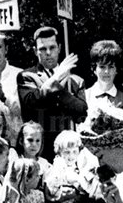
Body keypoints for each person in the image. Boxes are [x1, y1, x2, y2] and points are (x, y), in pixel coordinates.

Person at [17, 25, 88, 158]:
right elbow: (33, 103)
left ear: (60, 48)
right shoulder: (26, 76)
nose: (48, 53)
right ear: (35, 51)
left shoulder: (75, 81)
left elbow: (81, 112)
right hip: (39, 150)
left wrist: (60, 89)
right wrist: (57, 77)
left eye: (52, 47)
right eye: (43, 49)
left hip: (68, 151)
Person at [85, 40, 123, 112]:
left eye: (111, 67)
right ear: (94, 69)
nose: (106, 71)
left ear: (116, 70)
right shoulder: (85, 97)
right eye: (102, 67)